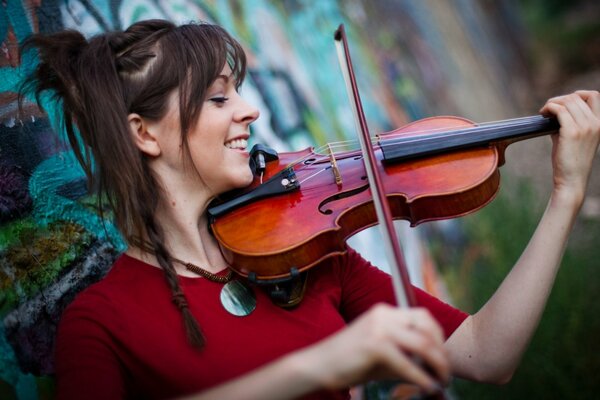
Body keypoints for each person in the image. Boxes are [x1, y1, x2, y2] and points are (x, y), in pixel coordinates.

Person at [19, 19, 599, 400]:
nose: (249, 112)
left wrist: (565, 195)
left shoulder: (304, 255)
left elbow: (486, 354)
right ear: (144, 135)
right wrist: (319, 367)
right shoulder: (100, 323)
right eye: (219, 98)